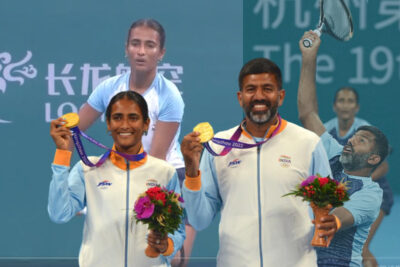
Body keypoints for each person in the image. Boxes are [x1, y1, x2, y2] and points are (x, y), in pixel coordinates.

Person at [181, 58, 334, 267]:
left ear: (280, 97)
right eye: (251, 89)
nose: (259, 96)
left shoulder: (308, 143)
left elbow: (329, 207)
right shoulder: (218, 147)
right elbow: (199, 220)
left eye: (268, 89)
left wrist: (329, 222)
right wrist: (191, 170)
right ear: (240, 97)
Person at [75, 18, 194, 267]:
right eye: (135, 44)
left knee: (173, 260)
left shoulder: (169, 95)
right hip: (122, 174)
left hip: (166, 178)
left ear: (161, 53)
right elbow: (74, 129)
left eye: (150, 45)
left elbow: (156, 163)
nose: (141, 51)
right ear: (126, 48)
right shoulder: (108, 88)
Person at [48, 91, 185, 267]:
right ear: (108, 124)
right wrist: (62, 154)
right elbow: (59, 213)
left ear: (146, 124)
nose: (125, 125)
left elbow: (178, 230)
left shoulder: (164, 172)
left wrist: (167, 245)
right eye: (118, 117)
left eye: (133, 118)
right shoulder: (87, 169)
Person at [298, 31, 390, 267]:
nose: (351, 141)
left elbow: (331, 223)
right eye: (354, 138)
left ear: (373, 158)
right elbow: (308, 113)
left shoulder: (370, 194)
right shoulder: (334, 153)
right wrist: (309, 58)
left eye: (362, 141)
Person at [324, 86, 394, 267]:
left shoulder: (365, 131)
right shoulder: (327, 129)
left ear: (356, 107)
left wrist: (358, 184)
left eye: (350, 101)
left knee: (362, 249)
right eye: (341, 100)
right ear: (334, 106)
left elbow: (383, 166)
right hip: (342, 193)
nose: (345, 105)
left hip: (372, 193)